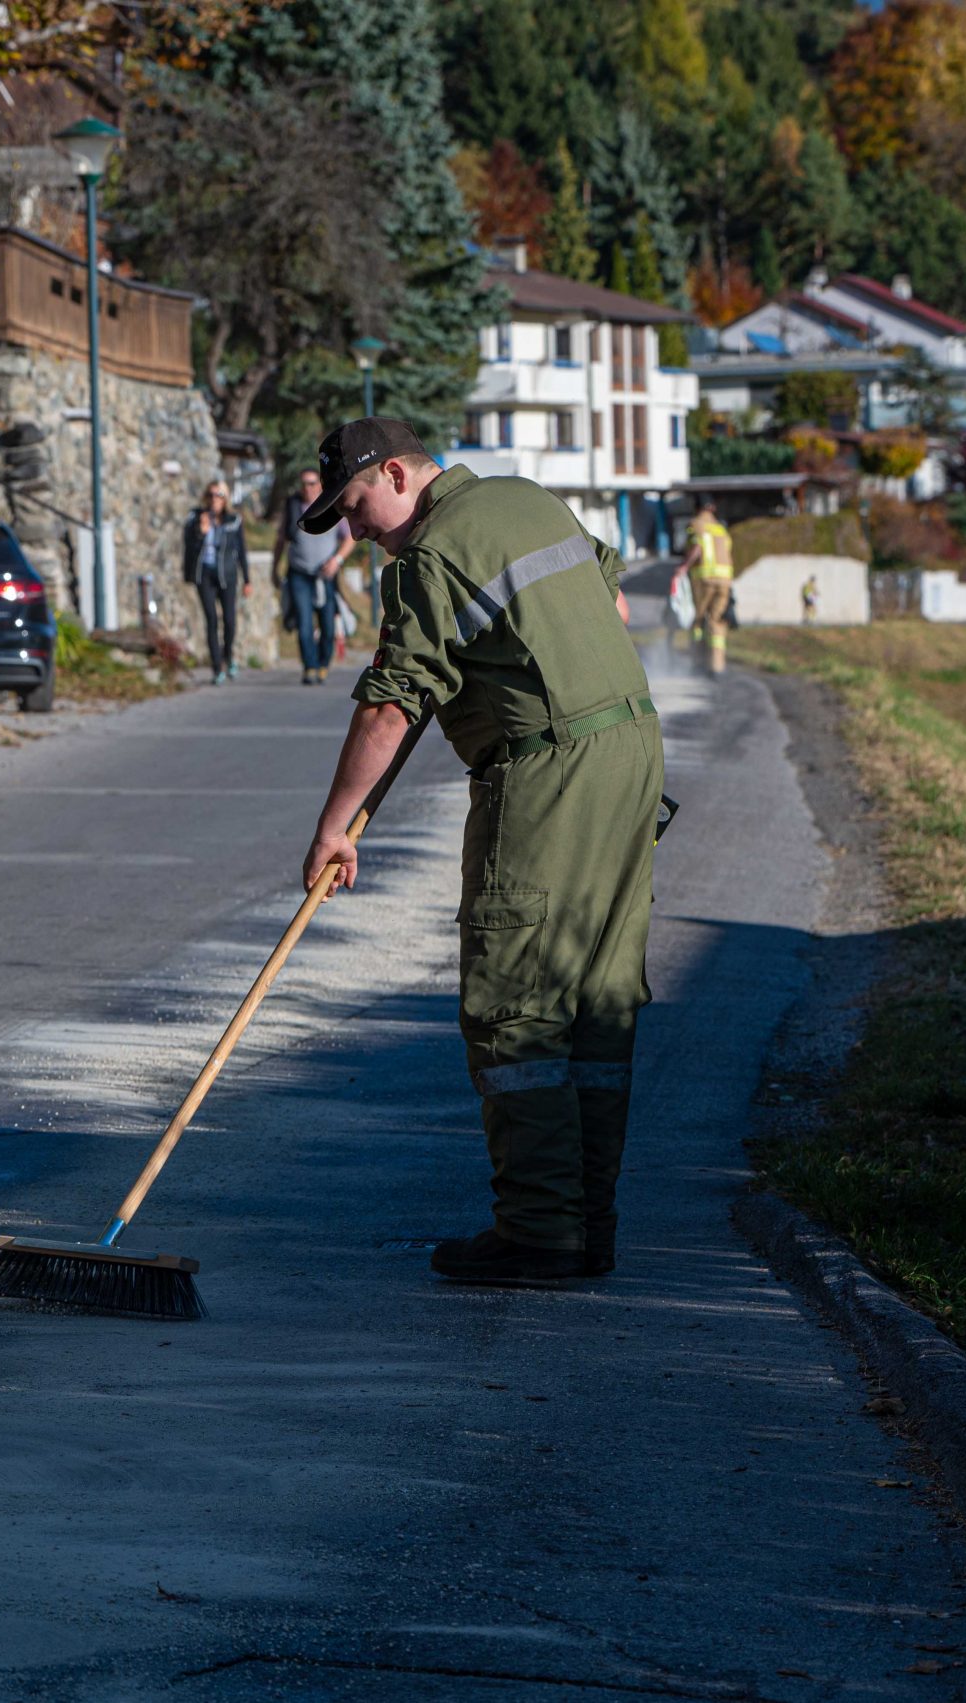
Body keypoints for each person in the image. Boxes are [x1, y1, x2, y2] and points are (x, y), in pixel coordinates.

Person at [295, 419, 662, 1286]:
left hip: (549, 769)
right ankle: (585, 1223)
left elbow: (392, 706)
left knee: (517, 998)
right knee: (595, 996)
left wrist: (334, 825)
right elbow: (609, 599)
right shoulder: (525, 499)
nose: (357, 532)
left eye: (355, 507)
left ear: (395, 472)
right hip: (632, 747)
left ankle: (540, 1231)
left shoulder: (430, 554)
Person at [271, 466, 353, 684]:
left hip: (325, 575)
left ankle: (323, 663)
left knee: (327, 625)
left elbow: (349, 538)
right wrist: (274, 568)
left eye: (311, 483)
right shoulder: (293, 506)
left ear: (320, 485)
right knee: (304, 623)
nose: (307, 488)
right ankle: (309, 667)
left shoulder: (332, 506)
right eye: (303, 483)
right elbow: (281, 540)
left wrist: (337, 561)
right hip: (299, 573)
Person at [181, 480, 251, 683]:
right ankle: (216, 666)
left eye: (219, 495)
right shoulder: (195, 518)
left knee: (229, 620)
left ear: (225, 498)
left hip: (227, 575)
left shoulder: (233, 520)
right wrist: (201, 533)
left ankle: (228, 656)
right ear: (206, 496)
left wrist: (247, 579)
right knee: (211, 619)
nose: (214, 499)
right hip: (205, 575)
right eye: (211, 495)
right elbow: (189, 547)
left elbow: (241, 551)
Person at [669, 501, 735, 675]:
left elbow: (697, 548)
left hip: (704, 578)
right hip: (725, 580)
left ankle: (697, 662)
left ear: (696, 508)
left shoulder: (696, 524)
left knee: (697, 620)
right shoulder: (720, 528)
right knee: (717, 621)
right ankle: (717, 665)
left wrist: (684, 567)